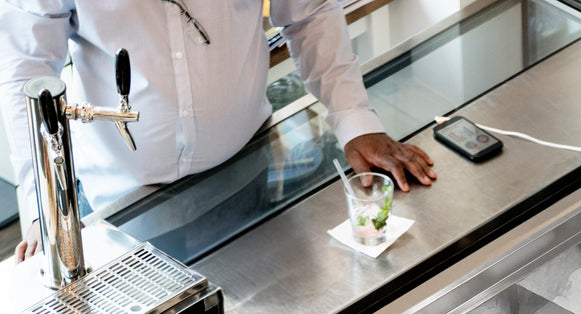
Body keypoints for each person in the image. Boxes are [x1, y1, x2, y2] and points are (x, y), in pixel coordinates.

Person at [0, 0, 436, 261]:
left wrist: (355, 119)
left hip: (246, 174)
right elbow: (27, 70)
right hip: (120, 206)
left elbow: (309, 11)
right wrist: (43, 204)